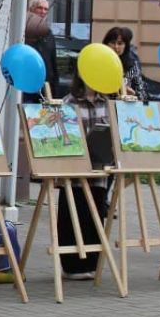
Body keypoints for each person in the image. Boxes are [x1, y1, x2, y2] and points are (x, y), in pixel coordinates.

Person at [58, 71, 113, 280]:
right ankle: (71, 265)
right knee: (73, 216)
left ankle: (91, 262)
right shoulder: (69, 101)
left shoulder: (106, 102)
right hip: (74, 172)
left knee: (94, 217)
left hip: (99, 171)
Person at [24, 0, 58, 103]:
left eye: (46, 9)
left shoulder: (49, 34)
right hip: (26, 88)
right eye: (40, 8)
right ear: (31, 9)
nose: (43, 12)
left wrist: (54, 89)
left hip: (45, 89)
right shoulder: (23, 31)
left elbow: (53, 62)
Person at [103, 26, 146, 102]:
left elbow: (141, 94)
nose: (116, 47)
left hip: (124, 109)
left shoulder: (132, 64)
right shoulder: (100, 62)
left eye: (120, 43)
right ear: (106, 44)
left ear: (125, 46)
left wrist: (132, 95)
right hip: (103, 107)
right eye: (113, 43)